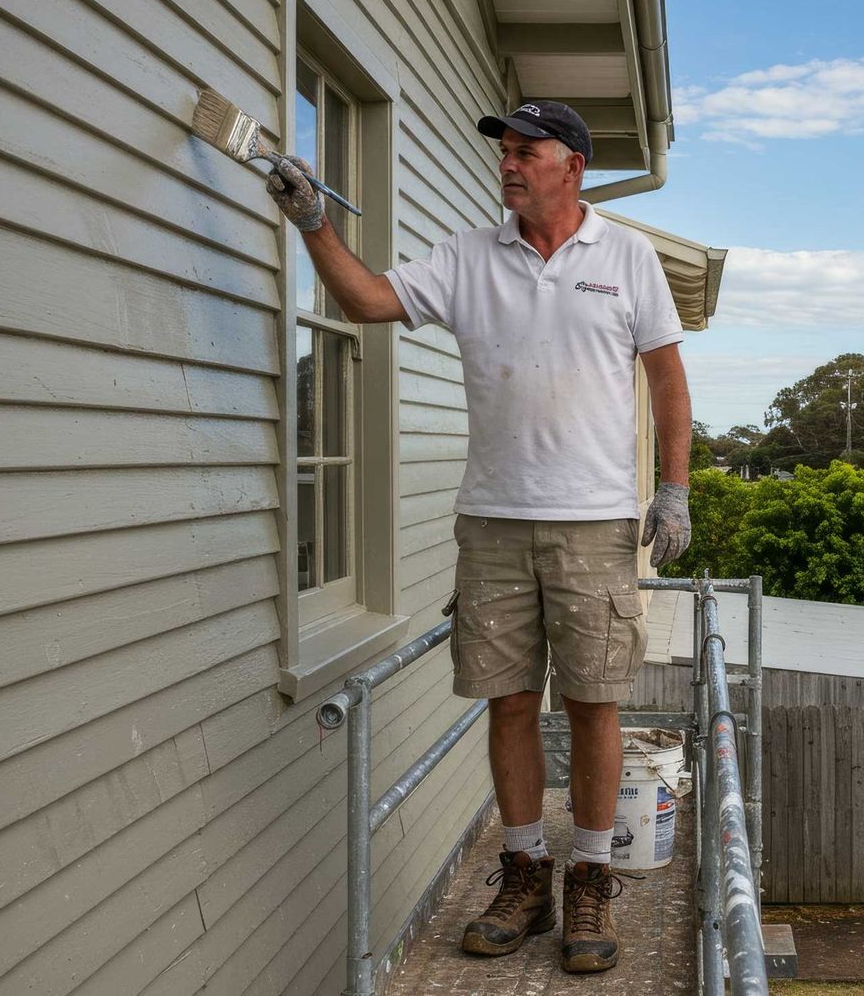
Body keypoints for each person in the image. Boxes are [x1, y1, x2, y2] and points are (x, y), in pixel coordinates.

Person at [267, 99, 693, 975]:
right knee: (507, 700)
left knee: (593, 702)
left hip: (595, 522)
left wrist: (676, 489)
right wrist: (313, 223)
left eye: (525, 150)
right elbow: (367, 298)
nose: (508, 162)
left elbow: (666, 377)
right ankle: (526, 871)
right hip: (493, 520)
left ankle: (590, 877)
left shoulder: (626, 257)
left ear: (570, 164)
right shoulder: (468, 256)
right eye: (504, 151)